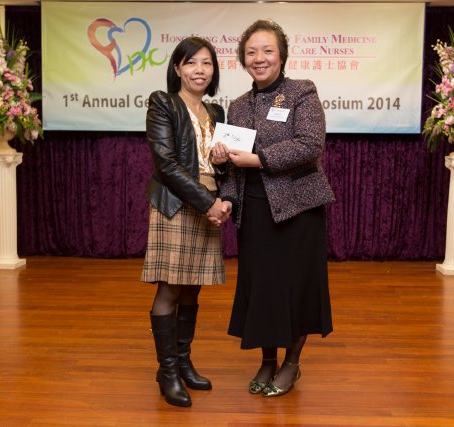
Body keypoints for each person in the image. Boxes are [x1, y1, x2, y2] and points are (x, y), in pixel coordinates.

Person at [212, 19, 335, 398]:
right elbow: (233, 166)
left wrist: (259, 159)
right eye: (251, 52)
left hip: (298, 209)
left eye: (267, 50)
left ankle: (292, 363)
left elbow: (310, 144)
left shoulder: (301, 91)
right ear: (242, 59)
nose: (259, 58)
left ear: (281, 54)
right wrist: (227, 193)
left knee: (296, 288)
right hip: (255, 212)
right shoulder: (238, 106)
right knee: (263, 288)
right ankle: (267, 360)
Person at [141, 36, 230, 408]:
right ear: (177, 68)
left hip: (208, 203)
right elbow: (166, 164)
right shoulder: (163, 103)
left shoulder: (217, 112)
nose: (199, 70)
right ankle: (167, 371)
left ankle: (183, 362)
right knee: (171, 288)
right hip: (178, 204)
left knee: (193, 289)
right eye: (191, 62)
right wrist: (209, 203)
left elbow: (217, 165)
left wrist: (223, 166)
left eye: (207, 63)